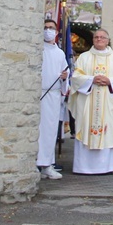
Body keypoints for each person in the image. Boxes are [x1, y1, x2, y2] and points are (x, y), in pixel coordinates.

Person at [68, 28, 113, 174]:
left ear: (108, 40)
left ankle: (108, 166)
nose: (99, 39)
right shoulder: (83, 57)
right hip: (88, 102)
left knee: (109, 131)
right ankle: (84, 167)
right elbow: (76, 76)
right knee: (87, 128)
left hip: (109, 102)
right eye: (96, 37)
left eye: (102, 37)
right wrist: (91, 79)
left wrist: (110, 81)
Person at [38, 19, 69, 179]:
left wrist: (65, 77)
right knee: (38, 131)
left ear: (56, 33)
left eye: (51, 28)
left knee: (50, 132)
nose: (48, 30)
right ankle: (36, 163)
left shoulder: (60, 53)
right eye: (45, 27)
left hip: (53, 96)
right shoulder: (37, 49)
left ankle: (47, 165)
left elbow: (65, 72)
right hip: (39, 94)